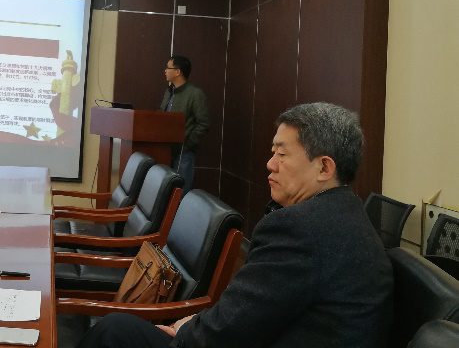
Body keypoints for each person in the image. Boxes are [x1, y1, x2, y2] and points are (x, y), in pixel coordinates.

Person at [77, 102, 394, 348]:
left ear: (324, 167)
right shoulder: (349, 215)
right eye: (272, 152)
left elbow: (234, 328)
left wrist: (186, 331)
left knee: (115, 331)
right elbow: (257, 311)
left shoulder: (301, 229)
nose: (270, 164)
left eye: (282, 154)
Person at [160, 55, 209, 195]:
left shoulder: (196, 94)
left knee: (180, 191)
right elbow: (162, 114)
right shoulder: (169, 92)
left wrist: (188, 143)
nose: (165, 71)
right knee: (165, 191)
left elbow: (203, 123)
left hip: (184, 151)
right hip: (165, 149)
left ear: (178, 72)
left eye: (168, 67)